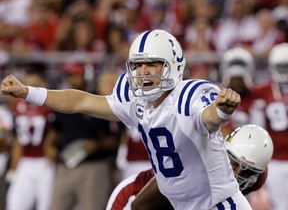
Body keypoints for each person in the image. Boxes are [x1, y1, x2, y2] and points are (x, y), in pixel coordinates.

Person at [0, 29, 252, 209]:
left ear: (173, 66)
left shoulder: (188, 96)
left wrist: (223, 110)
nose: (143, 73)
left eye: (152, 64)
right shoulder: (135, 100)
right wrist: (27, 93)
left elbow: (210, 117)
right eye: (138, 66)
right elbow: (80, 101)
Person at [106, 124, 274, 210]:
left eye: (246, 171)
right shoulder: (197, 164)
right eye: (234, 163)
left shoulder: (256, 179)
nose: (237, 173)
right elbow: (140, 207)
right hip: (140, 198)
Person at [48, 62, 121, 210]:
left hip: (93, 168)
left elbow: (115, 139)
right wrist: (50, 149)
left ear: (86, 76)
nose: (71, 79)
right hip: (66, 167)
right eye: (69, 75)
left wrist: (97, 145)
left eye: (75, 75)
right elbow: (53, 134)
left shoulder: (99, 102)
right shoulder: (62, 103)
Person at [5, 67, 55, 210]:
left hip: (45, 162)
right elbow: (17, 140)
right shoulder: (18, 105)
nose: (31, 89)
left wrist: (50, 146)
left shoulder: (50, 105)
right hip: (25, 162)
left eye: (35, 84)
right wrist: (13, 168)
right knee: (15, 204)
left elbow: (55, 131)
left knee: (46, 205)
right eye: (28, 84)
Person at [250, 42, 288, 210]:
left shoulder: (263, 90)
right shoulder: (263, 90)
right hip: (275, 160)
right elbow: (257, 128)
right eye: (281, 66)